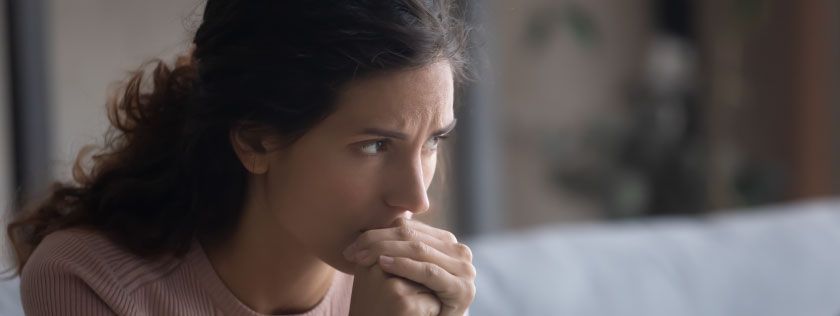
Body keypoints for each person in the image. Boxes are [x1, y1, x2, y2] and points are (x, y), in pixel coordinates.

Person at [5, 0, 476, 315]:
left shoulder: (404, 295)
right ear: (255, 142)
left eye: (433, 141)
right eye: (374, 146)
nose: (416, 198)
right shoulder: (92, 283)